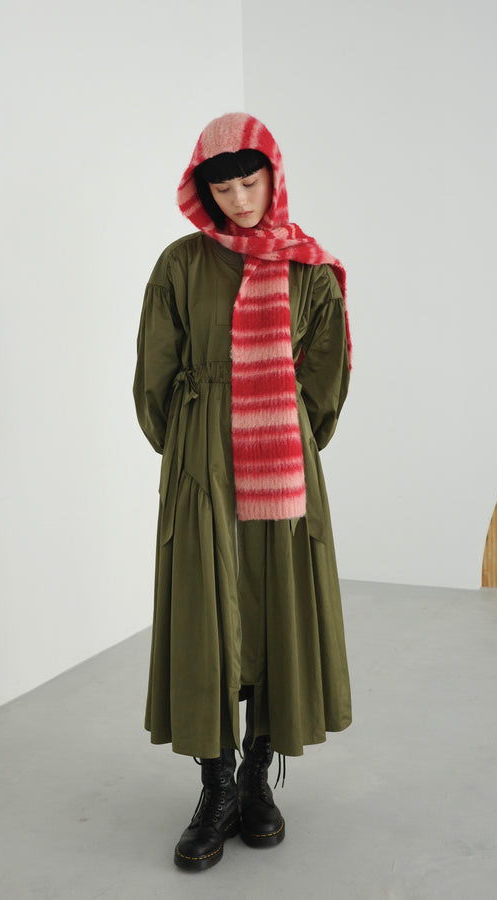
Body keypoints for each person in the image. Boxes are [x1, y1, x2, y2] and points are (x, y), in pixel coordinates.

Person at [133, 112, 352, 871]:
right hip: (202, 462)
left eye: (249, 181)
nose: (239, 199)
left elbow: (324, 383)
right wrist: (193, 446)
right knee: (207, 613)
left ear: (274, 176)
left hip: (281, 463)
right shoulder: (180, 264)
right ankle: (216, 787)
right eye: (222, 188)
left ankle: (258, 778)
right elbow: (154, 376)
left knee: (272, 612)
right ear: (204, 192)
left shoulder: (310, 269)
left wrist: (281, 436)